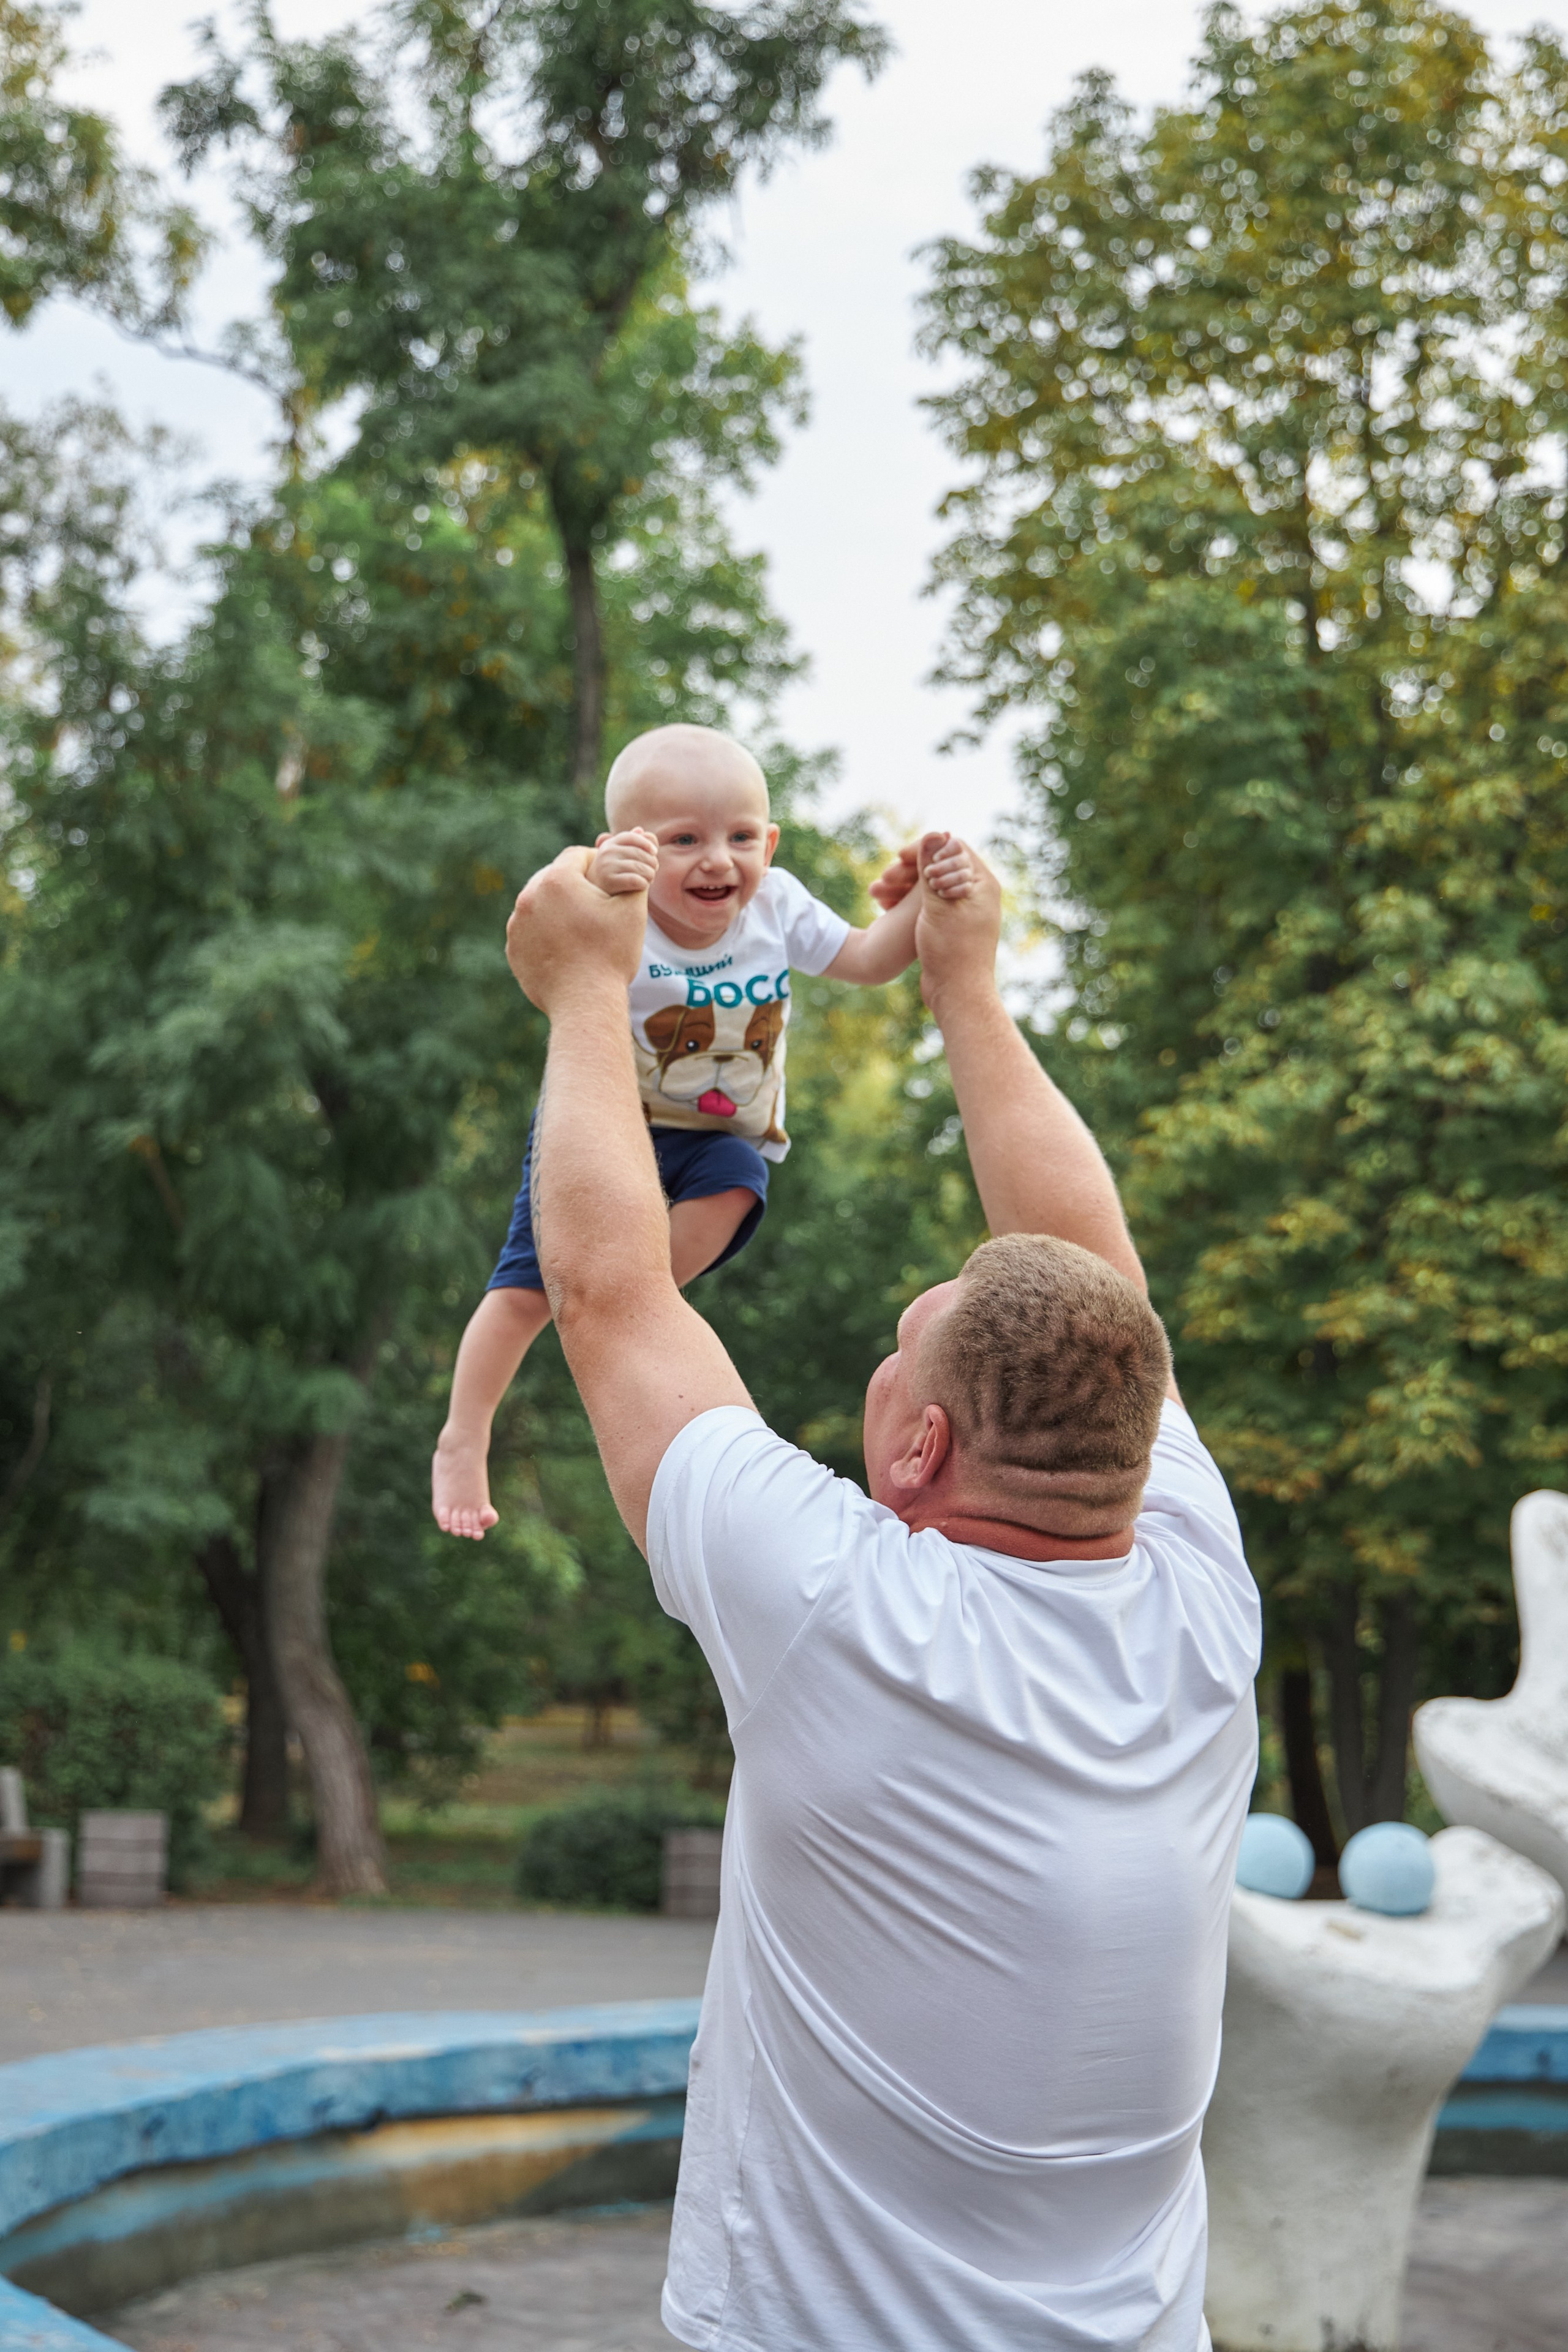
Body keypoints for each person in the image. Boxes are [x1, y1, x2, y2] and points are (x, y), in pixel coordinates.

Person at [504, 834, 1261, 2352]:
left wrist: (587, 991)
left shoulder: (843, 1615)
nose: (881, 1356)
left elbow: (606, 1293)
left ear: (915, 1447)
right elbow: (1092, 1264)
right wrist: (962, 990)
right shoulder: (1196, 1597)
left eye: (895, 1348)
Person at [432, 723, 975, 1539]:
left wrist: (928, 899)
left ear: (771, 842)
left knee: (739, 1182)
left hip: (716, 1134)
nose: (717, 860)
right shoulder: (615, 903)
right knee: (520, 1296)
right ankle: (462, 1436)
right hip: (606, 1128)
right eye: (683, 840)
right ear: (629, 847)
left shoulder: (778, 906)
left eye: (740, 837)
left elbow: (866, 957)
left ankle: (638, 1307)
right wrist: (593, 868)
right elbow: (552, 904)